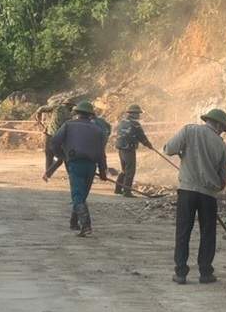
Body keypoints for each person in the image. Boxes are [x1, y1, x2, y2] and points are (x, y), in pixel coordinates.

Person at [164, 109, 226, 284]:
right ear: (218, 125)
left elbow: (169, 149)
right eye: (223, 128)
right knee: (208, 233)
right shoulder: (222, 146)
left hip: (186, 191)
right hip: (208, 195)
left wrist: (183, 153)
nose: (222, 131)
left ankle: (180, 273)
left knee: (183, 231)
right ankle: (205, 273)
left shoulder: (189, 130)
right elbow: (223, 180)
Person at [51, 101, 107, 236]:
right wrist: (103, 170)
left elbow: (55, 142)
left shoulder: (68, 125)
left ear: (76, 113)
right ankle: (74, 222)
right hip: (91, 166)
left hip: (75, 164)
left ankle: (86, 226)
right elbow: (101, 153)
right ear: (90, 115)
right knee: (82, 195)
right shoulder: (99, 130)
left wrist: (62, 156)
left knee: (77, 195)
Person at [114, 104, 153, 197]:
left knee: (124, 169)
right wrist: (149, 145)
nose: (139, 115)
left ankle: (118, 189)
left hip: (120, 148)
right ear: (133, 114)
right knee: (130, 170)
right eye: (138, 113)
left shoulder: (122, 122)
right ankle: (127, 191)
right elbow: (142, 137)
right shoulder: (135, 124)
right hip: (129, 149)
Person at [35, 97, 74, 171]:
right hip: (62, 137)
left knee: (49, 154)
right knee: (65, 155)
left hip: (50, 135)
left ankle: (47, 172)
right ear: (70, 106)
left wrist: (38, 117)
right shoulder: (70, 114)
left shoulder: (56, 107)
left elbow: (40, 109)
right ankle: (70, 172)